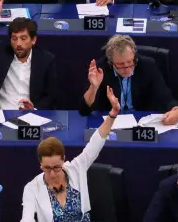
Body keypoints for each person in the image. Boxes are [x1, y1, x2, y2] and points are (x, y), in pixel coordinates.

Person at [25, 92, 121, 222]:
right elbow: (27, 218)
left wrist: (113, 114)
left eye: (57, 167)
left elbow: (97, 140)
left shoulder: (76, 168)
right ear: (40, 164)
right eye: (47, 168)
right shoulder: (32, 188)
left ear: (63, 160)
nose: (52, 173)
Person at [0, 0, 57, 110]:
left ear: (33, 40)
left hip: (29, 116)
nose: (18, 44)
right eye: (14, 39)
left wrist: (34, 109)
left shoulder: (46, 60)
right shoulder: (0, 53)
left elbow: (50, 97)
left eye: (23, 38)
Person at [82, 35, 178, 120]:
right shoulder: (101, 69)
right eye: (120, 64)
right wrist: (93, 87)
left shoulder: (148, 65)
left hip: (141, 121)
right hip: (111, 120)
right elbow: (84, 110)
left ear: (135, 56)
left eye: (130, 62)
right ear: (111, 62)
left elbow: (165, 96)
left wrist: (176, 110)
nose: (127, 69)